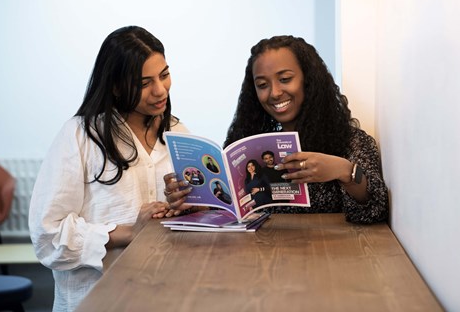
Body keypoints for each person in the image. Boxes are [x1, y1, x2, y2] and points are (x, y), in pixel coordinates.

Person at [28, 26, 188, 312]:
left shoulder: (177, 132)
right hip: (96, 301)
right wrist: (129, 232)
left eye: (164, 75)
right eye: (144, 83)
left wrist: (186, 205)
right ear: (115, 86)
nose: (160, 90)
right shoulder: (80, 136)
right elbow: (48, 236)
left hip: (163, 295)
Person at [165, 35, 388, 224]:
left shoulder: (351, 141)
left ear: (308, 81)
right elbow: (227, 213)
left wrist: (343, 170)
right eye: (262, 85)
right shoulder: (247, 145)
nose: (274, 93)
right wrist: (190, 199)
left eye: (285, 79)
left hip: (329, 261)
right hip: (261, 263)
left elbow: (375, 210)